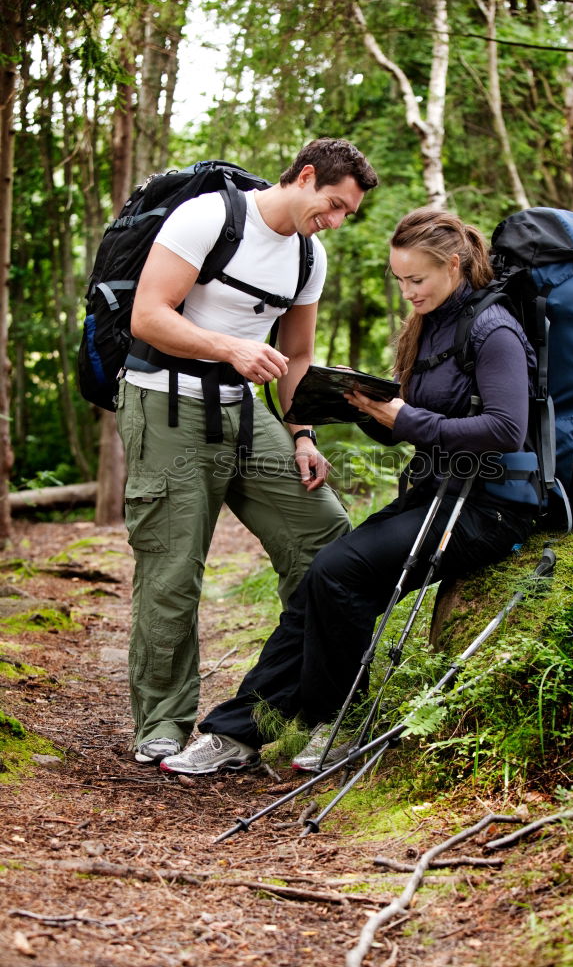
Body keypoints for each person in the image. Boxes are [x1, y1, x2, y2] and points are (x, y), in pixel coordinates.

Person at [159, 206, 539, 778]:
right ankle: (236, 732)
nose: (408, 292)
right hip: (436, 490)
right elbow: (419, 419)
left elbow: (507, 429)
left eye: (418, 279)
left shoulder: (494, 328)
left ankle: (337, 722)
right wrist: (361, 408)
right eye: (400, 280)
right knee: (324, 580)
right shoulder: (433, 323)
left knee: (338, 571)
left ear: (455, 265)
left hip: (492, 507)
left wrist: (403, 417)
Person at [117, 138, 379, 764]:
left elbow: (298, 358)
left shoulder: (308, 257)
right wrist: (229, 347)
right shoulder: (211, 216)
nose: (337, 221)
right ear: (307, 176)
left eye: (349, 214)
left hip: (244, 411)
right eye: (334, 205)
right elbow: (148, 316)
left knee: (325, 539)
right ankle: (162, 721)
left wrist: (302, 434)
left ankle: (314, 703)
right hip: (166, 404)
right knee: (173, 569)